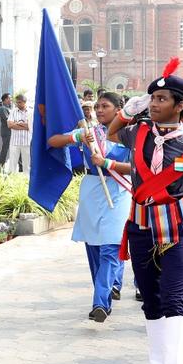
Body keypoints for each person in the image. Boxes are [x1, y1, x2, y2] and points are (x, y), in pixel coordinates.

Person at [108, 58, 183, 364]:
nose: (154, 103)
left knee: (174, 298)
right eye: (152, 98)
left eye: (162, 99)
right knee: (150, 299)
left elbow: (178, 181)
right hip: (140, 228)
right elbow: (111, 133)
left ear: (181, 106)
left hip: (175, 228)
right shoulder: (138, 133)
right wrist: (128, 112)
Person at [50, 92, 132, 323]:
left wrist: (107, 163)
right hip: (92, 191)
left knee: (110, 247)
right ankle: (105, 291)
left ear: (118, 110)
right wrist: (75, 138)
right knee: (94, 249)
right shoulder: (89, 132)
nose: (99, 110)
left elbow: (137, 167)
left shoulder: (130, 133)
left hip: (118, 191)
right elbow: (53, 141)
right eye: (97, 106)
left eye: (105, 106)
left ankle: (100, 302)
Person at [6, 93, 32, 174]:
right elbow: (9, 125)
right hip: (14, 142)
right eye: (17, 102)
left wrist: (17, 123)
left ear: (25, 102)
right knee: (12, 165)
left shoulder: (31, 112)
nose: (17, 104)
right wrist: (25, 125)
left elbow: (31, 126)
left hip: (27, 142)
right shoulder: (13, 111)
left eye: (19, 102)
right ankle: (11, 180)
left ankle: (26, 180)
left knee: (27, 165)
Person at [0, 92, 11, 170]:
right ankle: (2, 166)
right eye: (9, 98)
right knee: (5, 148)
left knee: (13, 148)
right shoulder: (3, 108)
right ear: (5, 99)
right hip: (6, 132)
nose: (10, 100)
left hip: (10, 131)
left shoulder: (8, 108)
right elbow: (7, 119)